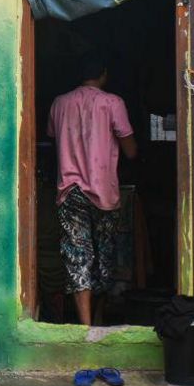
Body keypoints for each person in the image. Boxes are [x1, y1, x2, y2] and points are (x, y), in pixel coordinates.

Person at [48, 52, 137, 325]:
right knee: (103, 256)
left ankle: (86, 327)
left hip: (70, 190)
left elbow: (52, 140)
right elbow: (131, 151)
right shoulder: (113, 103)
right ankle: (97, 320)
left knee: (78, 255)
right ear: (104, 75)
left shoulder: (59, 103)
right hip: (104, 194)